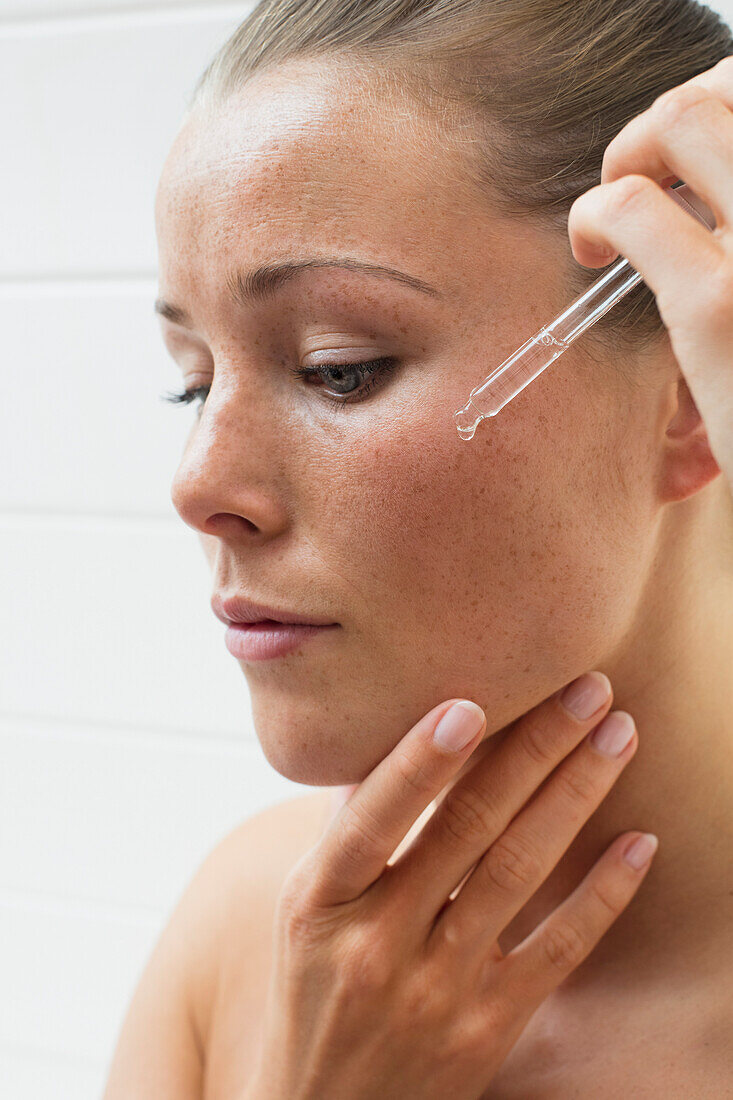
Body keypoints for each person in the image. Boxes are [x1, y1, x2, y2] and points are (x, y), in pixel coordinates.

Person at [103, 1, 733, 1096]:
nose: (199, 486)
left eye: (338, 366)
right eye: (192, 380)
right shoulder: (244, 930)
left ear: (684, 392)